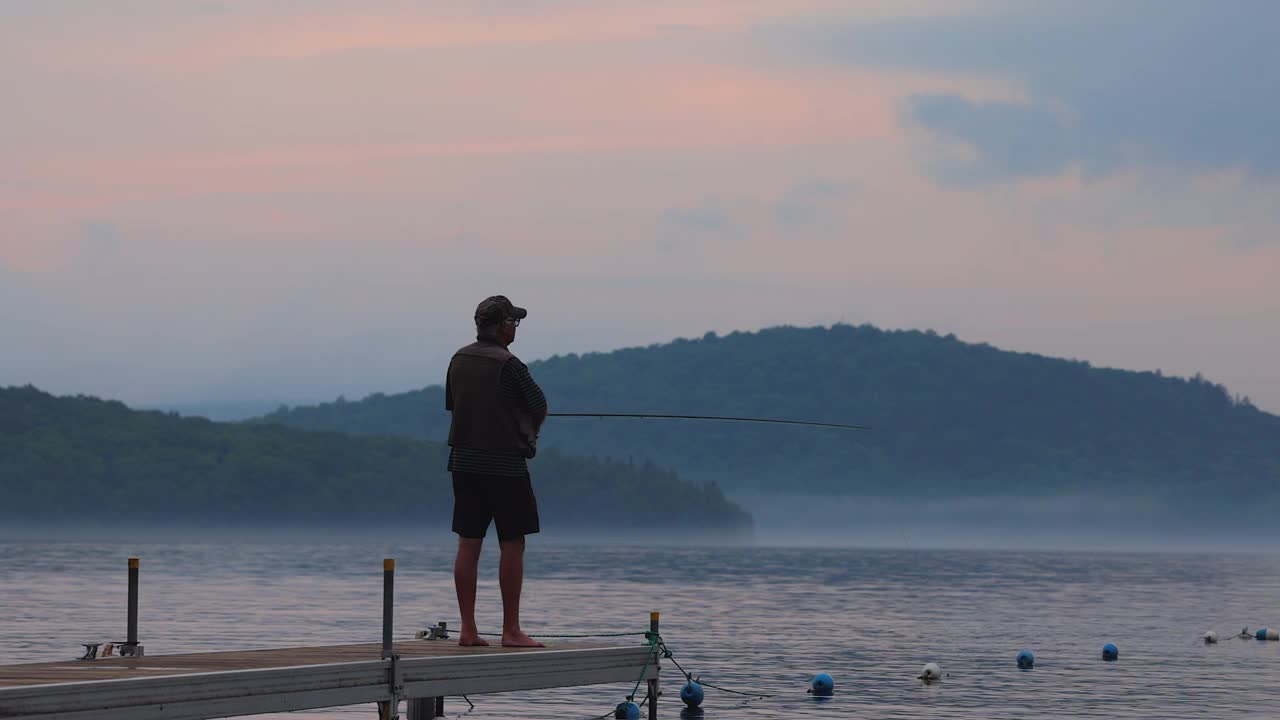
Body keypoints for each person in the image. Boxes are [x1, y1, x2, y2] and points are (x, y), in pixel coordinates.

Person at [445, 295, 548, 648]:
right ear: (502, 325)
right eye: (514, 322)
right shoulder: (510, 365)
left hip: (463, 463)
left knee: (468, 543)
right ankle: (511, 631)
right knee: (512, 543)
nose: (515, 328)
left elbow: (454, 405)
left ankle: (468, 630)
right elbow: (539, 407)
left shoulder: (458, 360)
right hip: (505, 467)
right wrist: (527, 430)